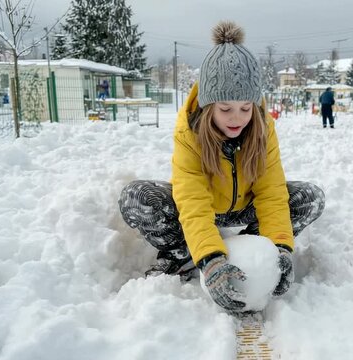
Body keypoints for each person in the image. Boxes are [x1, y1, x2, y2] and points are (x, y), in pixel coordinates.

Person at [118, 21, 325, 312]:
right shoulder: (189, 133)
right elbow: (191, 200)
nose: (236, 118)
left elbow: (271, 193)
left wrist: (281, 248)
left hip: (244, 207)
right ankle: (185, 253)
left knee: (309, 198)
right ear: (208, 105)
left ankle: (249, 247)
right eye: (225, 108)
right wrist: (211, 259)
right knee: (136, 197)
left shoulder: (262, 129)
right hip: (204, 206)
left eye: (245, 108)